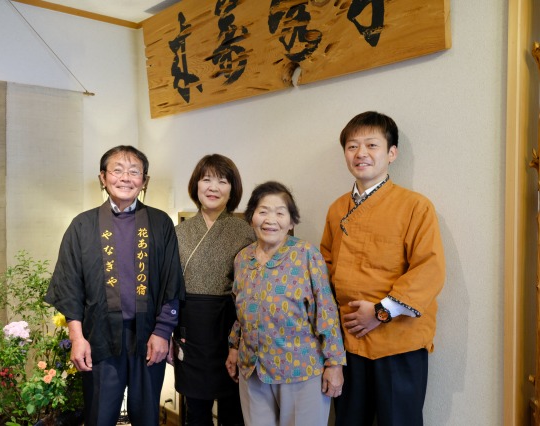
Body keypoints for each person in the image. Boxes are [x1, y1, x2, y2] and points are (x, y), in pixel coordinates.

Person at [320, 111, 446, 426]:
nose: (361, 153)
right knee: (349, 421)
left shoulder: (415, 206)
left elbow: (429, 269)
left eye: (371, 145)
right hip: (349, 341)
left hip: (398, 342)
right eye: (352, 146)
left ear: (391, 153)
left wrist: (380, 312)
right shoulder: (337, 209)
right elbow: (324, 268)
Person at [45, 145, 184, 426]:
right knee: (99, 415)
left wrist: (162, 332)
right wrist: (77, 338)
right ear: (103, 177)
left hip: (148, 337)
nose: (125, 178)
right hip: (100, 338)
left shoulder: (159, 223)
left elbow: (172, 280)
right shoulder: (82, 225)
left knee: (147, 417)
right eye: (117, 170)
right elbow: (70, 285)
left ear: (144, 181)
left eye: (134, 172)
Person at [226, 181, 346, 426]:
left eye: (280, 213)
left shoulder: (306, 255)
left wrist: (335, 363)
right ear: (251, 218)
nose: (271, 219)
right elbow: (240, 310)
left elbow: (326, 312)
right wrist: (234, 346)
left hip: (300, 371)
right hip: (253, 369)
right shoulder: (242, 258)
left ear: (291, 222)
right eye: (263, 211)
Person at [173, 154, 255, 426]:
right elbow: (168, 286)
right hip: (189, 327)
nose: (213, 187)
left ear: (232, 189)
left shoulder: (244, 231)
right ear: (196, 185)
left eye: (222, 180)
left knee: (233, 406)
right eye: (206, 179)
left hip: (229, 326)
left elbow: (251, 288)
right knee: (195, 408)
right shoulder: (178, 232)